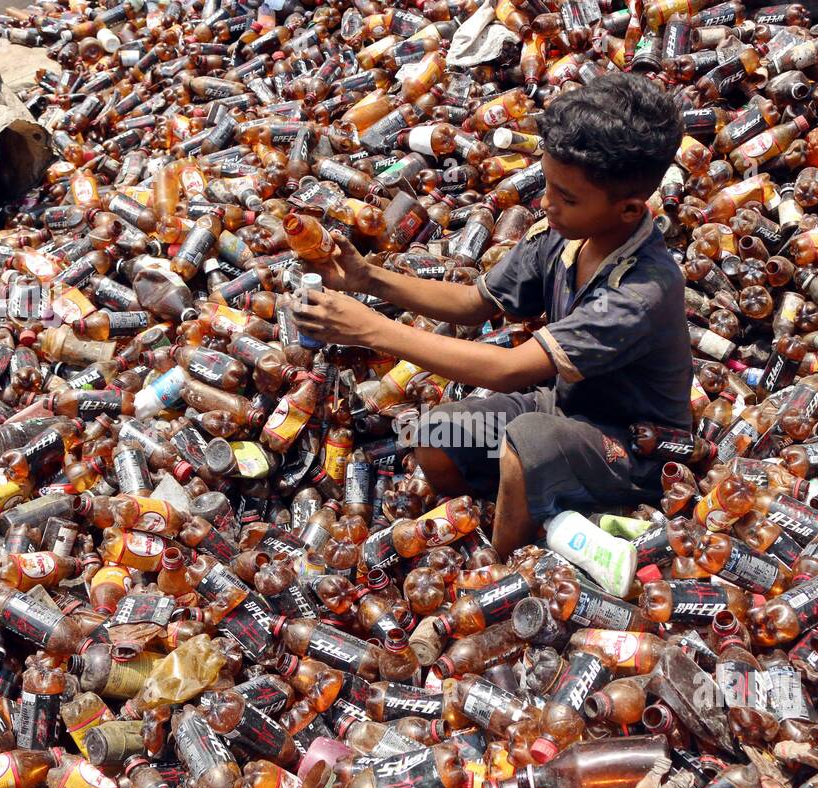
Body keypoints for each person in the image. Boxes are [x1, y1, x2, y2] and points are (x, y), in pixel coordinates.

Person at [295, 72, 690, 556]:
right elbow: (473, 304)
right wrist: (368, 279)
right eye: (547, 183)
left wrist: (372, 329)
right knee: (432, 432)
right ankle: (493, 519)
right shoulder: (560, 236)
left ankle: (506, 569)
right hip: (567, 411)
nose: (546, 203)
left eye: (566, 197)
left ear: (629, 210)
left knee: (526, 443)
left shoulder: (641, 289)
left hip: (636, 450)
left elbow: (506, 370)